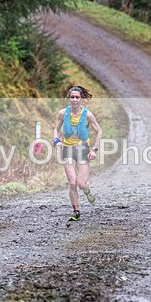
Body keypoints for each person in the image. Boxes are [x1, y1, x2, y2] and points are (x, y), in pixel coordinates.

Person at [53, 85, 103, 221]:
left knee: (81, 183)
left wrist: (94, 150)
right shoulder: (63, 113)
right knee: (72, 182)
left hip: (82, 149)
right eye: (72, 97)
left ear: (81, 99)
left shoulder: (87, 114)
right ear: (69, 98)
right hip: (68, 150)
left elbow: (99, 131)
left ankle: (87, 191)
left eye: (77, 97)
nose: (74, 100)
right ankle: (76, 211)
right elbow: (56, 129)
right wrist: (56, 140)